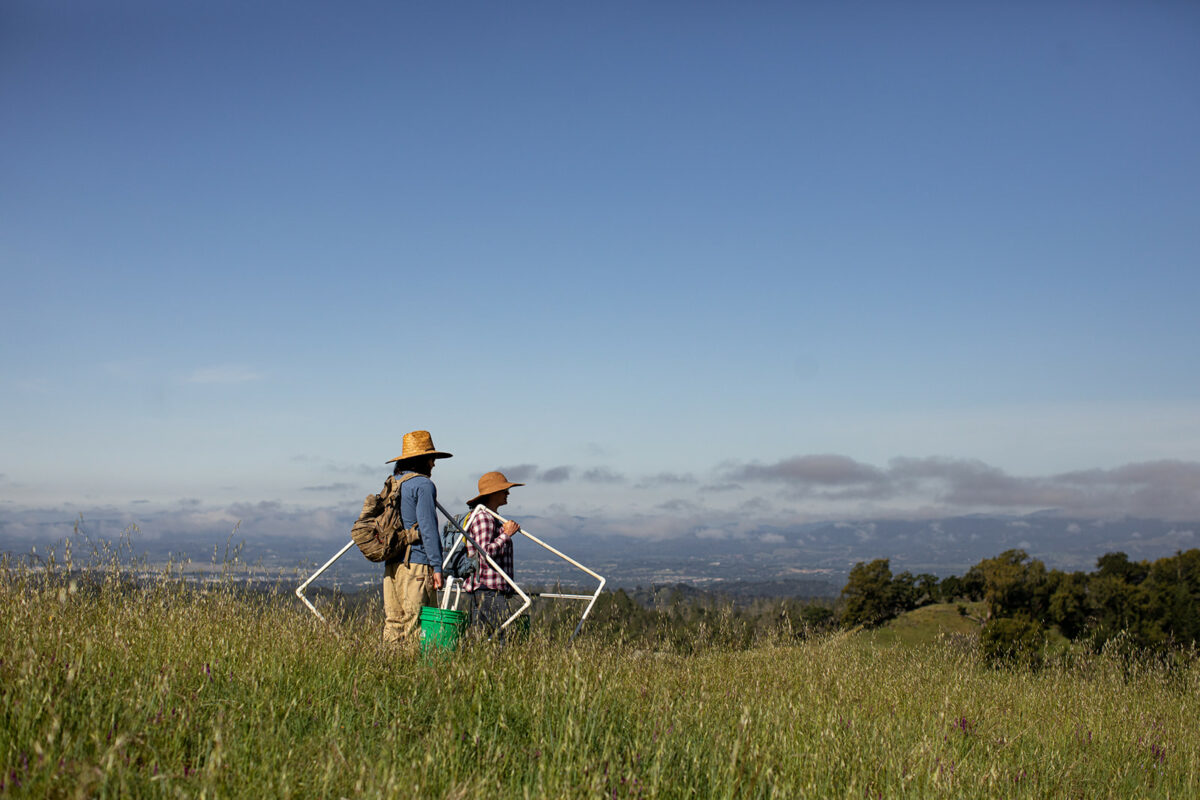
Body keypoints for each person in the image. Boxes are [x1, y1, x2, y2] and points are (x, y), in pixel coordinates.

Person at [381, 430, 451, 646]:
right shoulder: (423, 485)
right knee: (416, 625)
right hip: (417, 564)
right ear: (423, 459)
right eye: (431, 458)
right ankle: (413, 676)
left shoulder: (394, 483)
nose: (434, 464)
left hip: (392, 563)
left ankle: (389, 669)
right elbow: (428, 528)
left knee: (393, 622)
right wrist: (437, 567)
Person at [461, 471, 524, 638]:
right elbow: (485, 553)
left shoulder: (490, 518)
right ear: (493, 493)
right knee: (507, 635)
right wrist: (506, 535)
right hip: (488, 588)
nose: (508, 493)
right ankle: (503, 663)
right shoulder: (484, 518)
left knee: (481, 637)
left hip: (485, 588)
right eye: (504, 490)